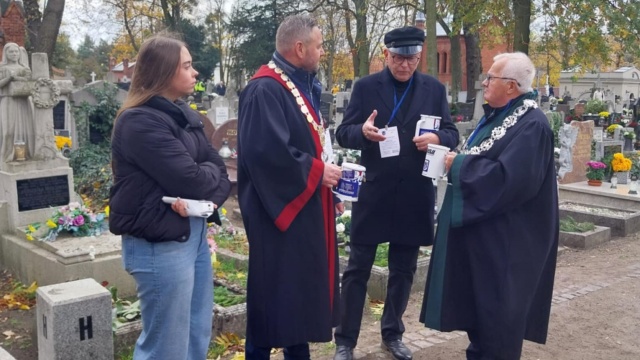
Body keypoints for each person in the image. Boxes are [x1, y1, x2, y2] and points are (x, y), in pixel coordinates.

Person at [420, 52, 559, 360]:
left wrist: (460, 166)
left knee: (499, 326)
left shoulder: (532, 125)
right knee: (481, 323)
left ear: (511, 86)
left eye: (490, 78)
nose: (484, 82)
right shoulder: (498, 115)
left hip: (508, 248)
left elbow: (509, 181)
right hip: (485, 242)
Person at [333, 26, 459, 360]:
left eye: (412, 59)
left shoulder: (433, 89)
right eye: (399, 58)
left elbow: (451, 131)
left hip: (414, 193)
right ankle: (345, 340)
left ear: (419, 56)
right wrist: (361, 131)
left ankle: (392, 333)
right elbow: (342, 133)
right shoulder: (365, 87)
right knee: (358, 268)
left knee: (403, 271)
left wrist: (437, 140)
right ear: (386, 55)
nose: (405, 65)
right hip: (374, 192)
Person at [109, 34, 231, 360]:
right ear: (164, 72)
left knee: (195, 334)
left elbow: (217, 169)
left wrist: (208, 187)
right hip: (158, 243)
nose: (195, 74)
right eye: (187, 66)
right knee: (166, 346)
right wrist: (207, 180)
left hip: (191, 234)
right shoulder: (139, 122)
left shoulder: (181, 114)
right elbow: (193, 179)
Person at [237, 14, 343, 359]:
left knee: (295, 301)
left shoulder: (295, 84)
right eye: (319, 45)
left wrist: (326, 187)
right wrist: (316, 172)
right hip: (277, 215)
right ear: (300, 48)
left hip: (302, 207)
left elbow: (307, 141)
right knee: (274, 302)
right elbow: (266, 153)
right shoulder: (265, 88)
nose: (323, 51)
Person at [0, 42, 35, 162]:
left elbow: (29, 81)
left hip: (23, 101)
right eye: (11, 52)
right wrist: (9, 78)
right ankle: (6, 155)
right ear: (6, 53)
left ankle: (22, 155)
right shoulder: (2, 68)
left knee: (26, 131)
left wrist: (17, 77)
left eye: (16, 52)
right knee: (7, 132)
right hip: (8, 101)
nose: (14, 54)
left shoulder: (24, 69)